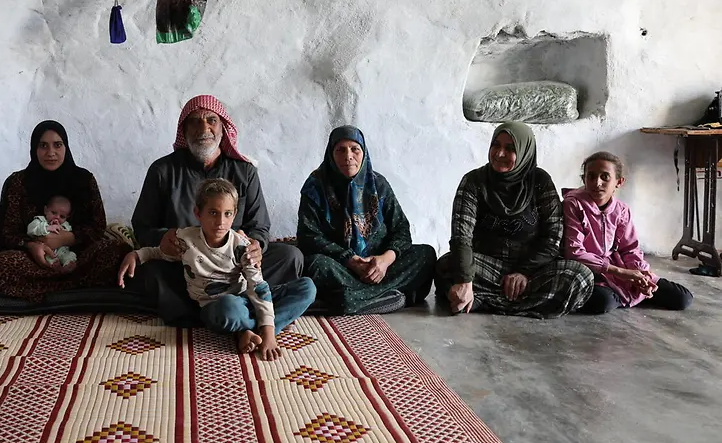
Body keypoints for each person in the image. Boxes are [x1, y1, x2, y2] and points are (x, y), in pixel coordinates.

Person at [131, 95, 304, 326]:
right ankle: (234, 313)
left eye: (211, 120)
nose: (204, 128)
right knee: (152, 270)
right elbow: (142, 225)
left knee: (291, 257)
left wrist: (256, 246)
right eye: (195, 122)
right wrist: (161, 238)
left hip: (237, 266)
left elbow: (259, 225)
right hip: (188, 267)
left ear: (222, 127)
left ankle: (229, 313)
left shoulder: (245, 172)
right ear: (184, 130)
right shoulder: (162, 171)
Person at [120, 179, 316, 359]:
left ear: (234, 215)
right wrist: (136, 255)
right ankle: (248, 329)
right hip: (217, 308)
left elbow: (258, 287)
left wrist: (270, 336)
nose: (220, 222)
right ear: (198, 214)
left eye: (227, 214)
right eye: (213, 213)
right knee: (227, 309)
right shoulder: (185, 240)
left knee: (307, 288)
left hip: (245, 300)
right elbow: (159, 252)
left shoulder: (241, 245)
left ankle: (252, 332)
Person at [436, 121, 594, 318]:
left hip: (532, 271)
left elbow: (553, 238)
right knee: (447, 265)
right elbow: (461, 235)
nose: (499, 154)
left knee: (580, 276)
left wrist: (523, 272)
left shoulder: (540, 182)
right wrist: (466, 280)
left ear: (524, 151)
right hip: (487, 267)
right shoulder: (474, 181)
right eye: (496, 145)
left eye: (510, 149)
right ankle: (525, 304)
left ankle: (483, 301)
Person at [0, 120, 131, 301]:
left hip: (78, 258)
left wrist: (69, 238)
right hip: (33, 259)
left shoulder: (84, 180)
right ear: (34, 149)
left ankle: (41, 288)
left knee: (118, 250)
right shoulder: (17, 183)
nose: (51, 153)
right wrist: (33, 245)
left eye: (57, 145)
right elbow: (6, 232)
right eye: (43, 146)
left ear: (66, 147)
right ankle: (76, 288)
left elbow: (98, 226)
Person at [297, 126, 436, 314]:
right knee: (316, 266)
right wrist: (351, 260)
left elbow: (401, 229)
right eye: (340, 150)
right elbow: (308, 236)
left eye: (355, 149)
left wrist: (385, 260)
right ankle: (388, 298)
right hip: (341, 266)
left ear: (364, 152)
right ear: (330, 154)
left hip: (379, 267)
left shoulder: (378, 185)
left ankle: (351, 300)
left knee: (426, 254)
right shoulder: (315, 186)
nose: (348, 156)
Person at [564, 151, 693, 314]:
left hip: (618, 269)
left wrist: (642, 276)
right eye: (591, 176)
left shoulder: (621, 210)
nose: (597, 183)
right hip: (591, 271)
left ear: (619, 182)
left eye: (605, 177)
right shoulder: (573, 204)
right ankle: (623, 295)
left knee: (682, 298)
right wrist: (621, 272)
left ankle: (625, 295)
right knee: (601, 301)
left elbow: (629, 249)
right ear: (584, 179)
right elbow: (574, 251)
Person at [26, 195, 78, 267]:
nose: (57, 217)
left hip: (62, 251)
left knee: (69, 256)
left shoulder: (65, 224)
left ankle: (68, 266)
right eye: (53, 213)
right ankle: (55, 266)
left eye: (62, 216)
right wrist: (47, 228)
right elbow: (30, 229)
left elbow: (69, 233)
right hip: (46, 250)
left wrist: (62, 229)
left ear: (67, 218)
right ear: (46, 210)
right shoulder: (40, 220)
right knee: (49, 258)